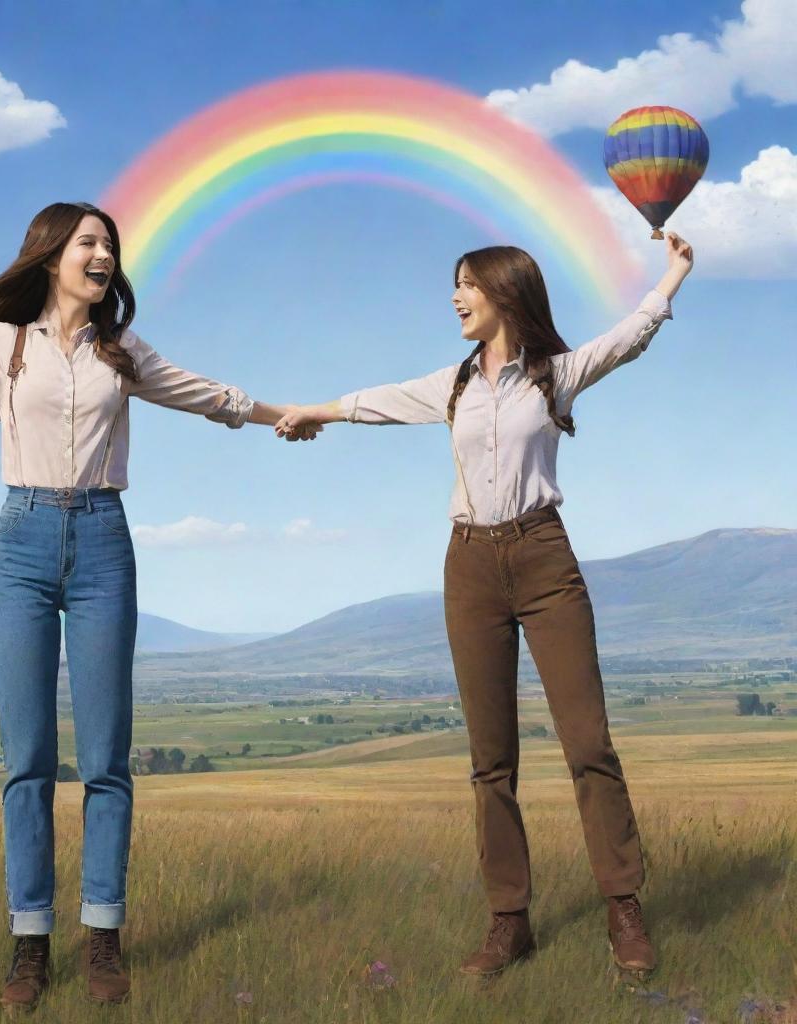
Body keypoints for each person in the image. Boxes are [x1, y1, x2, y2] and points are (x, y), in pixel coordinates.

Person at [0, 202, 317, 1012]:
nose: (103, 254)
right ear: (53, 254)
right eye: (89, 242)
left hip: (102, 544)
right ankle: (29, 945)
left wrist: (282, 415)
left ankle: (102, 936)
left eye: (109, 246)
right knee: (25, 760)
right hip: (19, 543)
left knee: (105, 760)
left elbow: (208, 396)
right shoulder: (4, 344)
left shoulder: (124, 356)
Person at [276, 233, 694, 978]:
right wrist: (315, 411)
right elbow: (379, 401)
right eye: (455, 285)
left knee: (588, 745)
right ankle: (509, 922)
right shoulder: (453, 385)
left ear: (504, 290)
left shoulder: (555, 377)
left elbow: (626, 340)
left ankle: (624, 908)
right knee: (490, 760)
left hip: (543, 557)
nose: (455, 297)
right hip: (469, 565)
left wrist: (672, 276)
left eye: (466, 283)